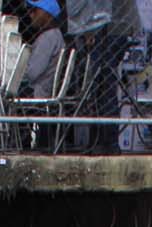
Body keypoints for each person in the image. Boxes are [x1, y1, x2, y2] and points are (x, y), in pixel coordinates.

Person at [64, 0, 131, 154]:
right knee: (101, 86)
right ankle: (102, 140)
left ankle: (107, 142)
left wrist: (89, 28)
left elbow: (84, 8)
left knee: (104, 86)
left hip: (108, 28)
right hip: (109, 26)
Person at [18, 0, 59, 98]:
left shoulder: (48, 38)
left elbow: (31, 74)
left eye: (34, 10)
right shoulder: (55, 34)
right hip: (44, 88)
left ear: (47, 14)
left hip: (37, 90)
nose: (31, 14)